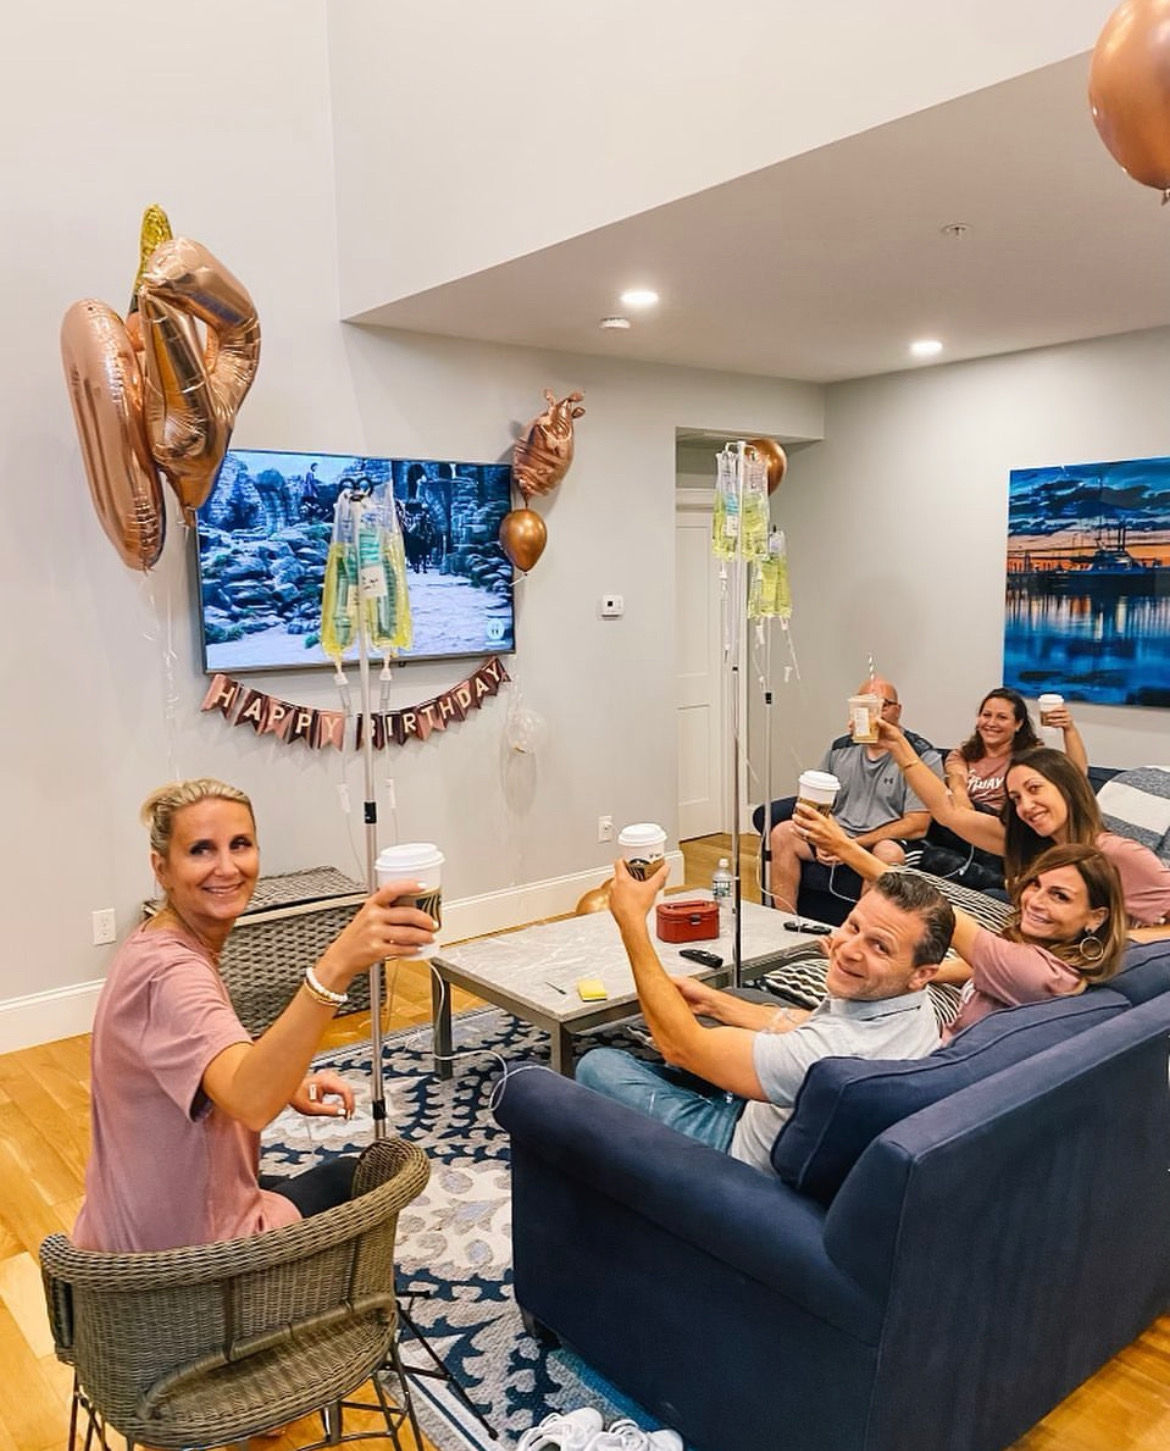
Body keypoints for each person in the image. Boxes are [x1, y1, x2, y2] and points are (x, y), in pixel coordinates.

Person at [73, 779, 436, 1253]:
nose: (226, 867)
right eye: (201, 850)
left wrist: (286, 1082)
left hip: (125, 1230)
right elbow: (250, 1101)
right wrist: (337, 964)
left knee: (269, 1176)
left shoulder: (154, 944)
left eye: (240, 845)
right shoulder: (171, 975)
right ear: (161, 868)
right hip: (187, 1262)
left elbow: (217, 1069)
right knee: (359, 1176)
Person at [575, 858, 953, 1176]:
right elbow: (815, 1025)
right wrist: (716, 1004)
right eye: (853, 926)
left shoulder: (828, 1054)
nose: (848, 949)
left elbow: (680, 1047)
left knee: (598, 1064)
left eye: (879, 946)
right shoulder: (918, 1005)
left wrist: (631, 922)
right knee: (732, 1000)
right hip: (778, 1109)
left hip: (735, 1151)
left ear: (923, 971)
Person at [793, 802, 1128, 1039]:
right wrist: (886, 966)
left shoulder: (1039, 974)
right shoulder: (1050, 965)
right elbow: (974, 969)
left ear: (1095, 918)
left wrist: (842, 844)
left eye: (1060, 896)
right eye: (1035, 885)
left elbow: (932, 908)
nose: (1035, 902)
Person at [879, 722, 1170, 940]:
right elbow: (949, 813)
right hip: (1023, 948)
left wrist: (1117, 944)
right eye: (1016, 798)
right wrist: (898, 746)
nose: (1026, 806)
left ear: (1067, 788)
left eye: (1034, 789)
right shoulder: (1034, 844)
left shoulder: (1115, 853)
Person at [767, 676, 943, 913]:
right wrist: (826, 837)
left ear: (897, 710)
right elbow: (817, 802)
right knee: (782, 833)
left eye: (881, 705)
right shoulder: (841, 747)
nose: (872, 713)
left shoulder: (920, 756)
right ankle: (784, 925)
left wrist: (850, 844)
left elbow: (917, 825)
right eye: (863, 706)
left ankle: (858, 936)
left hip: (884, 840)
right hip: (840, 832)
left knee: (886, 853)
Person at [944, 687, 1086, 812]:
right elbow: (957, 780)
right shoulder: (962, 754)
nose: (991, 723)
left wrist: (1069, 730)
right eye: (986, 715)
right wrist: (963, 806)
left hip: (1008, 826)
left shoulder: (1032, 756)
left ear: (1018, 724)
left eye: (1002, 717)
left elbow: (1076, 776)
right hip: (965, 821)